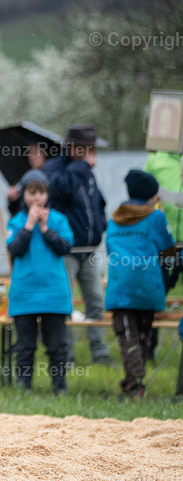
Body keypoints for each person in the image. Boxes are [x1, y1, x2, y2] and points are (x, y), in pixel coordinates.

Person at [43, 123, 112, 365]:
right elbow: (60, 189)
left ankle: (100, 351)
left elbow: (98, 203)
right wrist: (82, 166)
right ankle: (66, 355)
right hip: (66, 251)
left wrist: (101, 225)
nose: (92, 153)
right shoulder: (54, 168)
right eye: (87, 148)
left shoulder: (86, 171)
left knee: (95, 301)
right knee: (66, 303)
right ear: (72, 147)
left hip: (89, 251)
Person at [105, 170, 175, 400]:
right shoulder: (156, 218)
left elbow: (109, 249)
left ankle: (133, 386)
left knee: (128, 337)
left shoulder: (114, 219)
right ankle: (135, 385)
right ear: (151, 196)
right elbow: (169, 251)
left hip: (120, 288)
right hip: (147, 288)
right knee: (143, 337)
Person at [5, 170, 73, 393]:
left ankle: (59, 388)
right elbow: (14, 249)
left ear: (47, 194)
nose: (37, 198)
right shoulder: (16, 222)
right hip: (25, 295)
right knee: (24, 346)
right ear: (23, 194)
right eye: (32, 192)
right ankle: (24, 388)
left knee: (57, 346)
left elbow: (65, 247)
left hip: (54, 293)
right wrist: (29, 225)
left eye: (41, 192)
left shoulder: (59, 220)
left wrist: (45, 229)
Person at [5, 142, 48, 218]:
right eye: (29, 153)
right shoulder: (24, 178)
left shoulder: (55, 178)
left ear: (45, 153)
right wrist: (13, 200)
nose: (31, 157)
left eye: (35, 153)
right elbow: (14, 211)